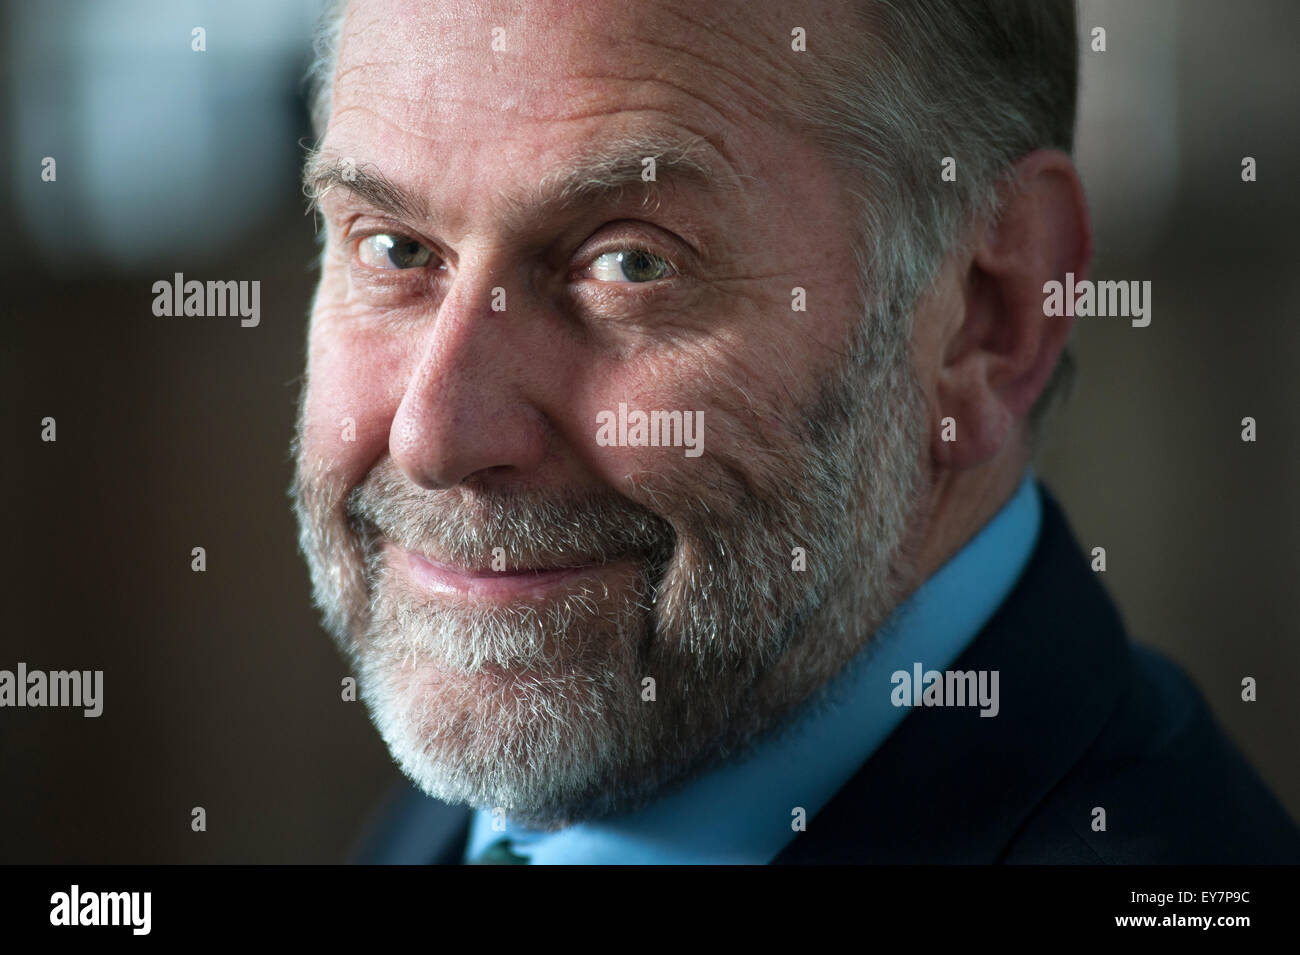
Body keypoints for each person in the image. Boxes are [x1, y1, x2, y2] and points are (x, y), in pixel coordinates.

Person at [290, 0, 1300, 863]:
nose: (436, 435)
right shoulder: (521, 774)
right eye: (393, 247)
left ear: (988, 317)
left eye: (632, 263)